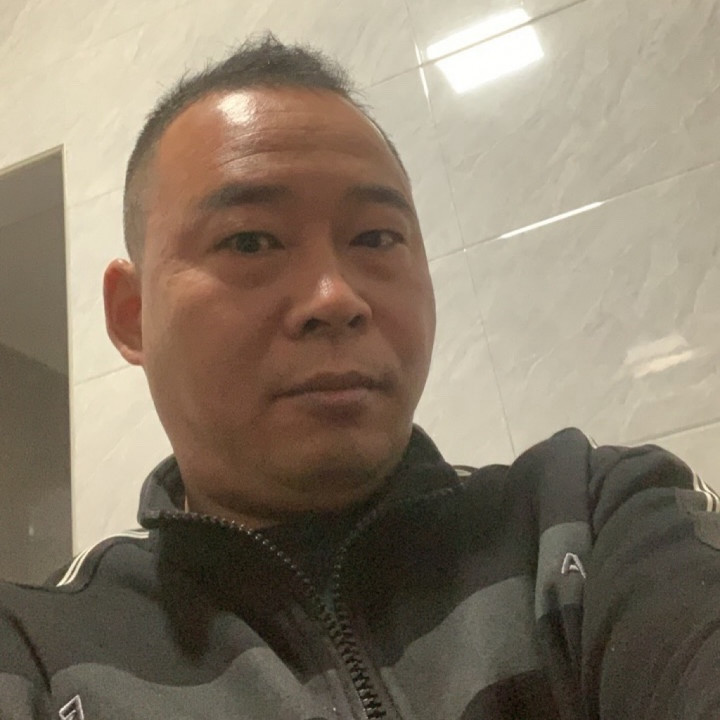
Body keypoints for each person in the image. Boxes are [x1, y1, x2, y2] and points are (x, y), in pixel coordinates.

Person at [1, 34, 719, 720]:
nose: (335, 298)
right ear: (131, 315)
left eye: (376, 237)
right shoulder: (38, 655)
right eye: (250, 241)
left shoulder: (589, 517)